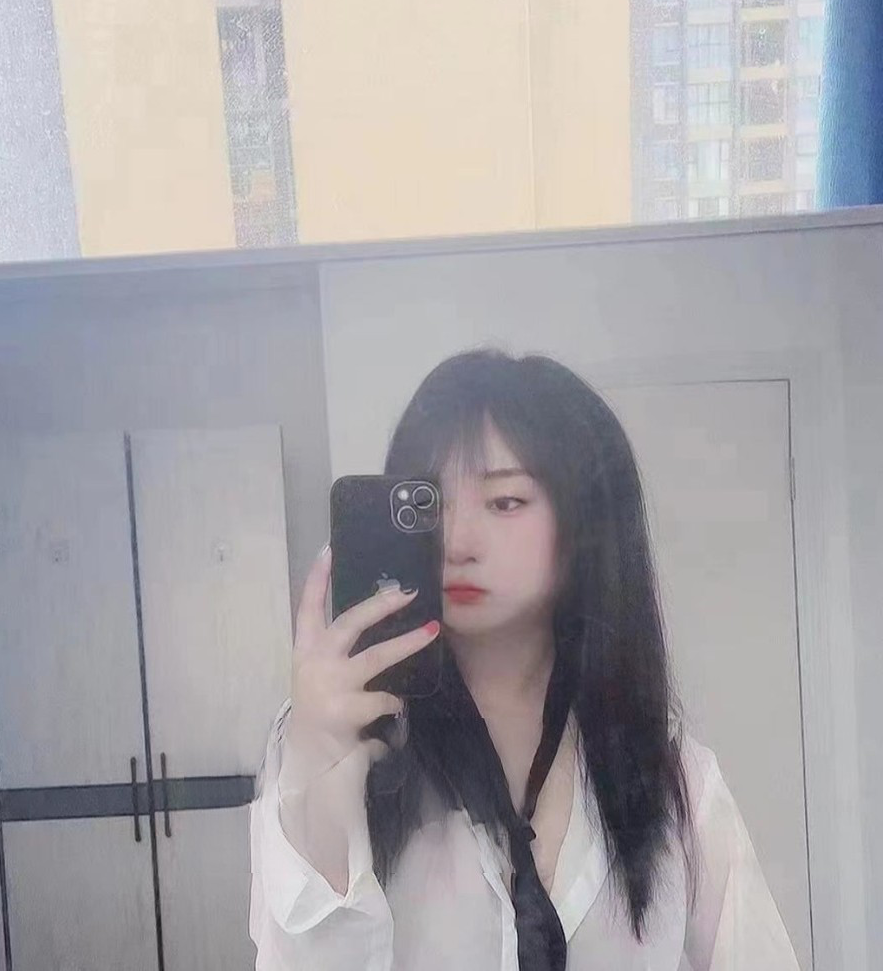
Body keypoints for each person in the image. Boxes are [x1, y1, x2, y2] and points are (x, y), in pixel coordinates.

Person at [249, 350, 800, 970]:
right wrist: (321, 768)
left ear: (584, 525)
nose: (457, 541)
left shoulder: (674, 777)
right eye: (432, 504)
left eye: (505, 502)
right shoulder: (328, 742)